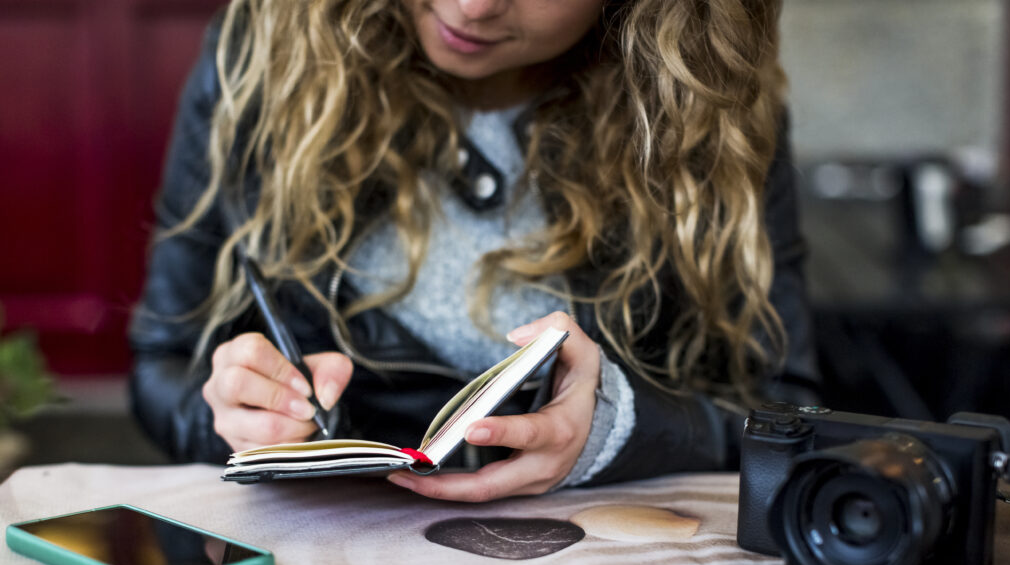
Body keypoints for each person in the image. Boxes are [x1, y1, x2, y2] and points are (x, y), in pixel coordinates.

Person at [130, 0, 819, 502]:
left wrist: (621, 427)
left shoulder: (707, 110)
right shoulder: (263, 54)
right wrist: (234, 415)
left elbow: (789, 414)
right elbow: (162, 363)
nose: (473, 6)